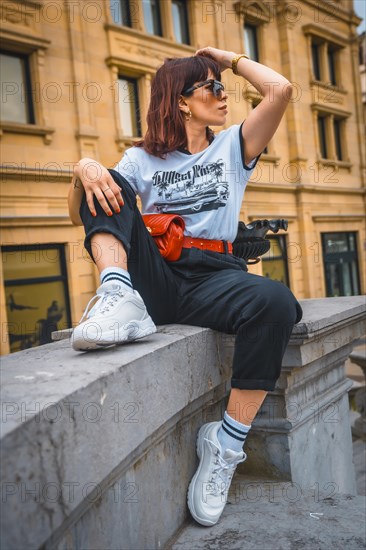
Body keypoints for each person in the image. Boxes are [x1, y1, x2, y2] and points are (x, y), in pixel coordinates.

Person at [68, 46, 303, 527]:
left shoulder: (233, 146)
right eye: (211, 87)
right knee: (103, 181)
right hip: (157, 276)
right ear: (180, 101)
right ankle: (117, 292)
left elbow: (279, 89)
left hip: (215, 275)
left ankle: (226, 444)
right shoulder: (139, 159)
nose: (223, 96)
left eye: (223, 87)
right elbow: (86, 213)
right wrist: (83, 169)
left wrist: (227, 58)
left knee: (276, 302)